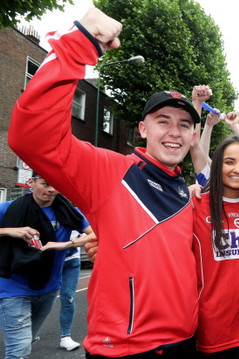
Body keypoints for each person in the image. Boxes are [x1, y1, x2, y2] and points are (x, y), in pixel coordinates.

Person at [9, 8, 200, 358]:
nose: (174, 132)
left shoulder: (183, 191)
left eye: (185, 125)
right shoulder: (111, 169)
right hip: (124, 348)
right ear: (142, 129)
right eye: (163, 121)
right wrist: (81, 42)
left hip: (186, 340)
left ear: (193, 136)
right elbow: (33, 139)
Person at [0, 174, 93, 359]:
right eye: (45, 184)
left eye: (56, 185)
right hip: (13, 288)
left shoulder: (69, 212)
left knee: (30, 339)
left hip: (49, 288)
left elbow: (96, 234)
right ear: (31, 182)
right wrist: (11, 231)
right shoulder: (9, 208)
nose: (51, 189)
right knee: (19, 349)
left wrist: (66, 244)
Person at [192, 133, 239, 358]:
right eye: (229, 162)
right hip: (210, 329)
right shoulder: (196, 206)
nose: (238, 169)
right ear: (217, 165)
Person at [57, 229, 95, 351]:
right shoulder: (34, 211)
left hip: (71, 259)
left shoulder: (73, 212)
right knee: (43, 297)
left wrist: (70, 244)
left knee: (68, 296)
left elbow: (93, 233)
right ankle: (30, 332)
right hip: (47, 259)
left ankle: (65, 336)